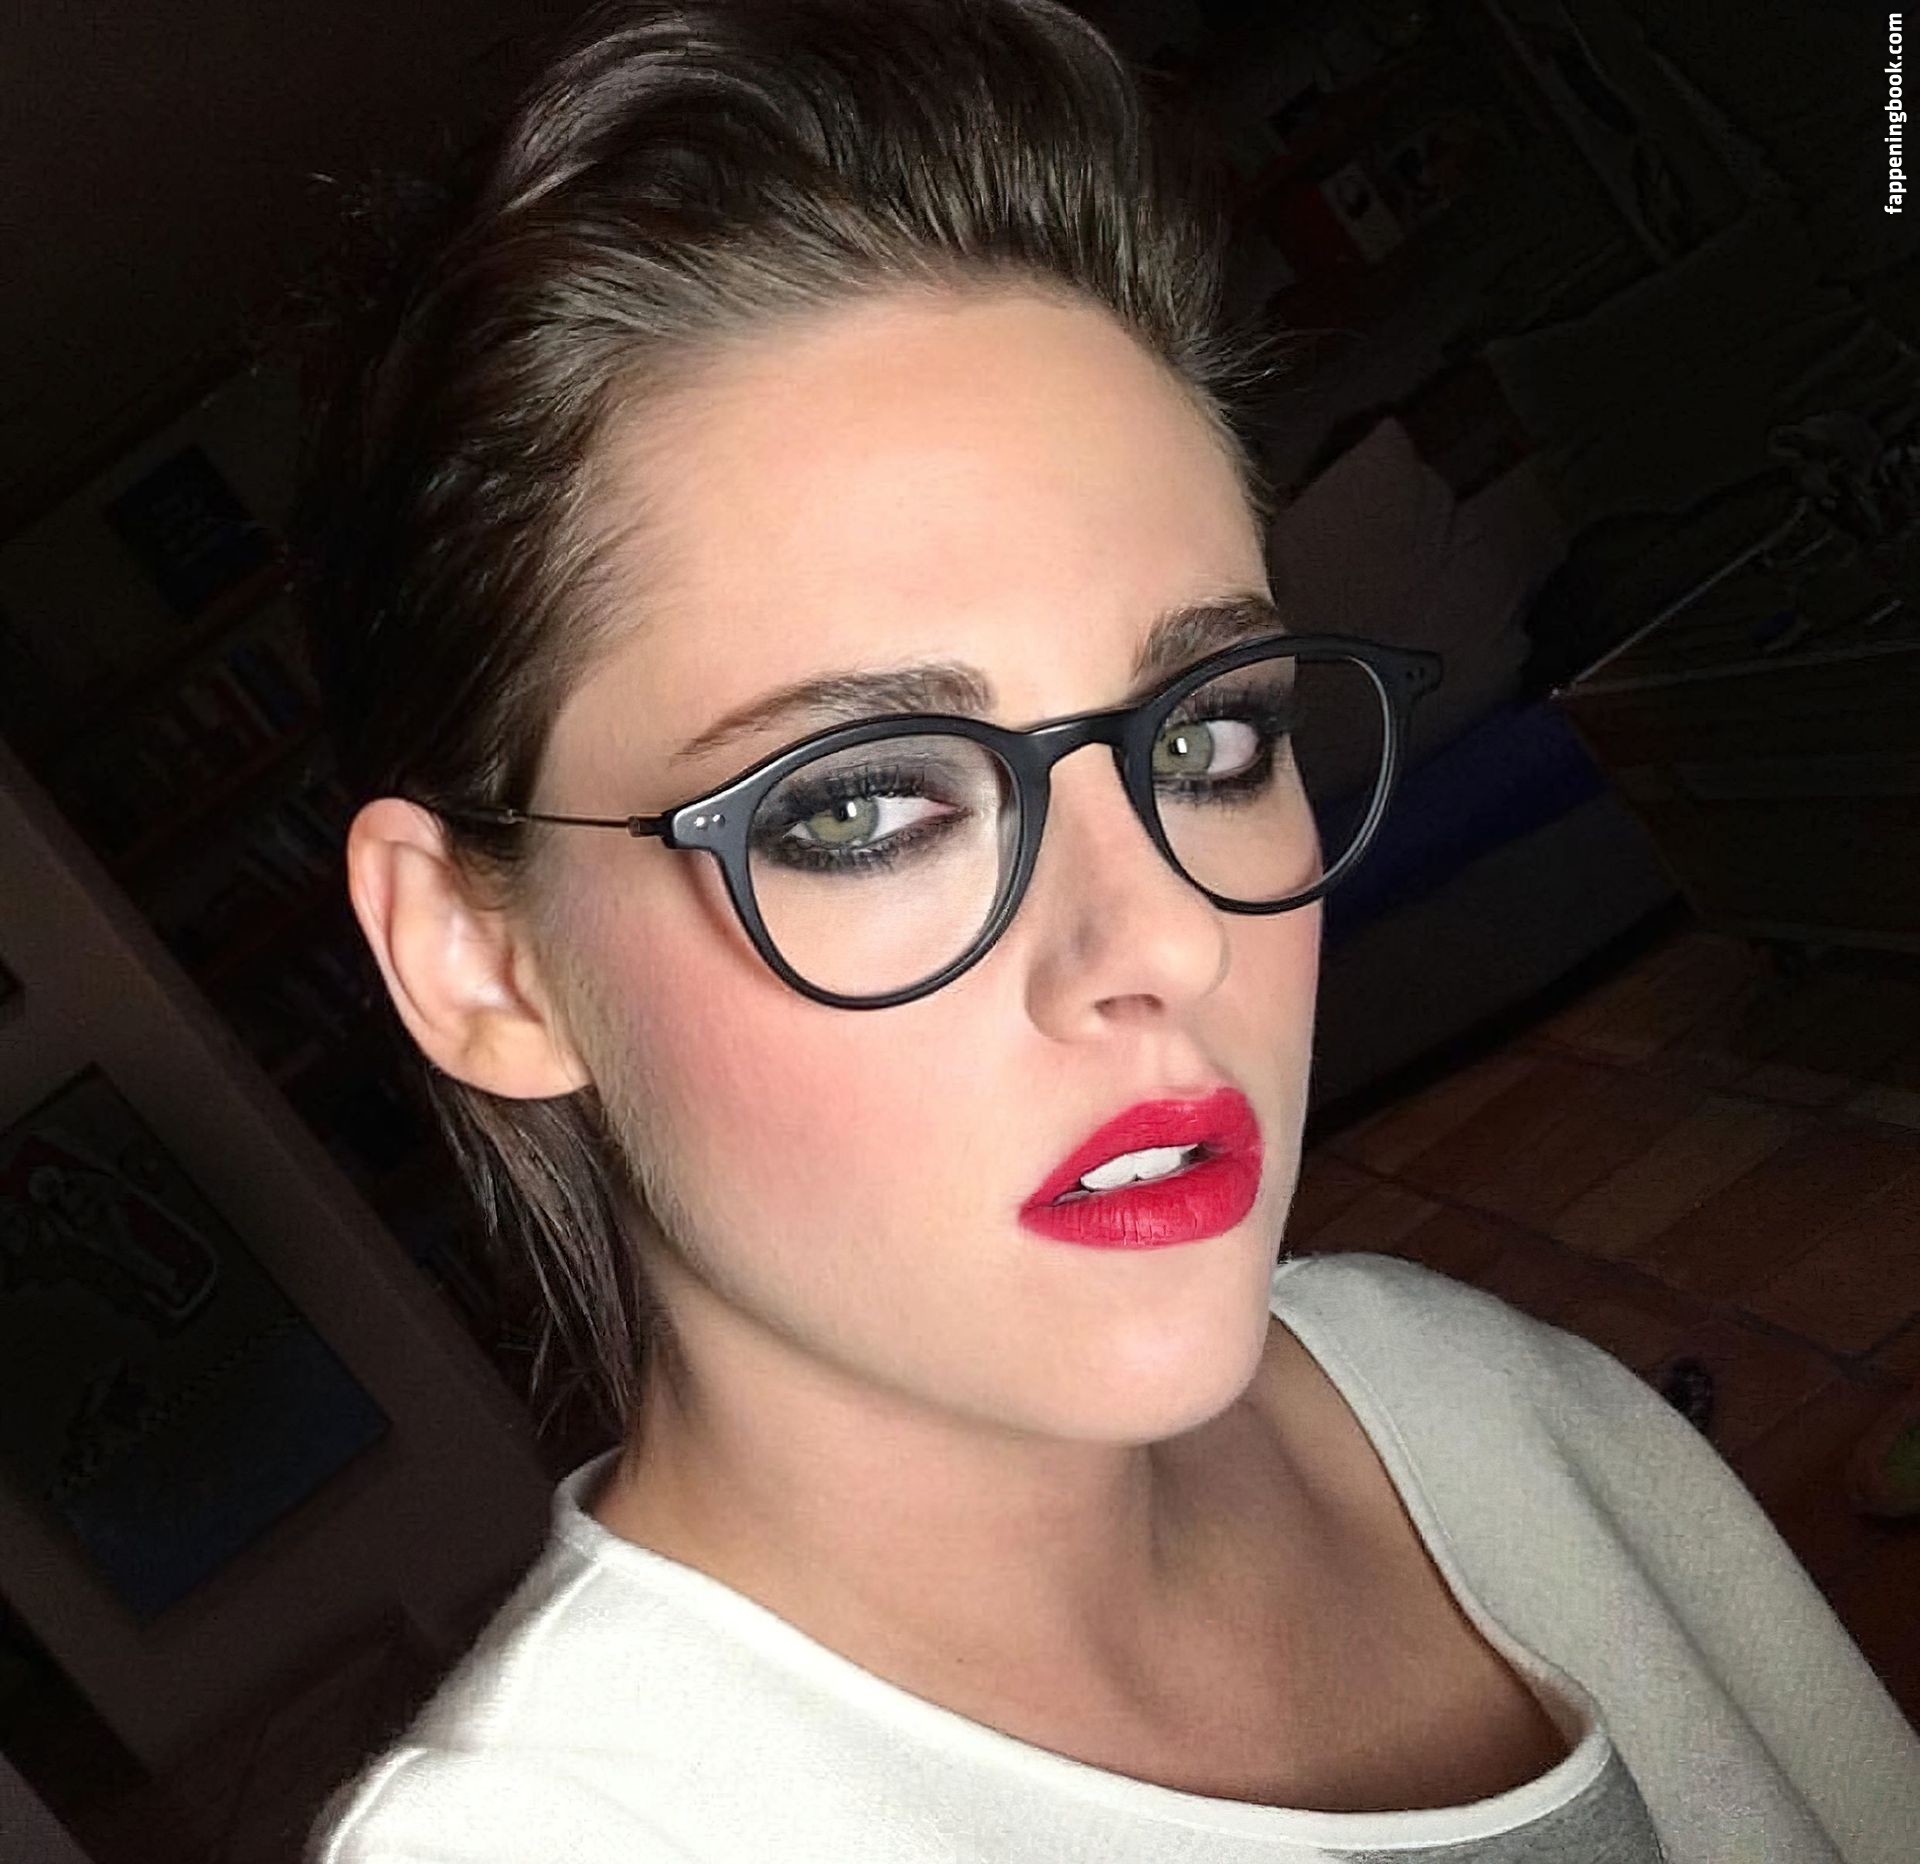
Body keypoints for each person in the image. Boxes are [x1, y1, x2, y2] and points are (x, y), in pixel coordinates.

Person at [299, 1, 1920, 1856]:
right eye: (864, 806)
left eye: (1206, 737)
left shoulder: (1466, 1391)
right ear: (479, 960)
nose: (1162, 939)